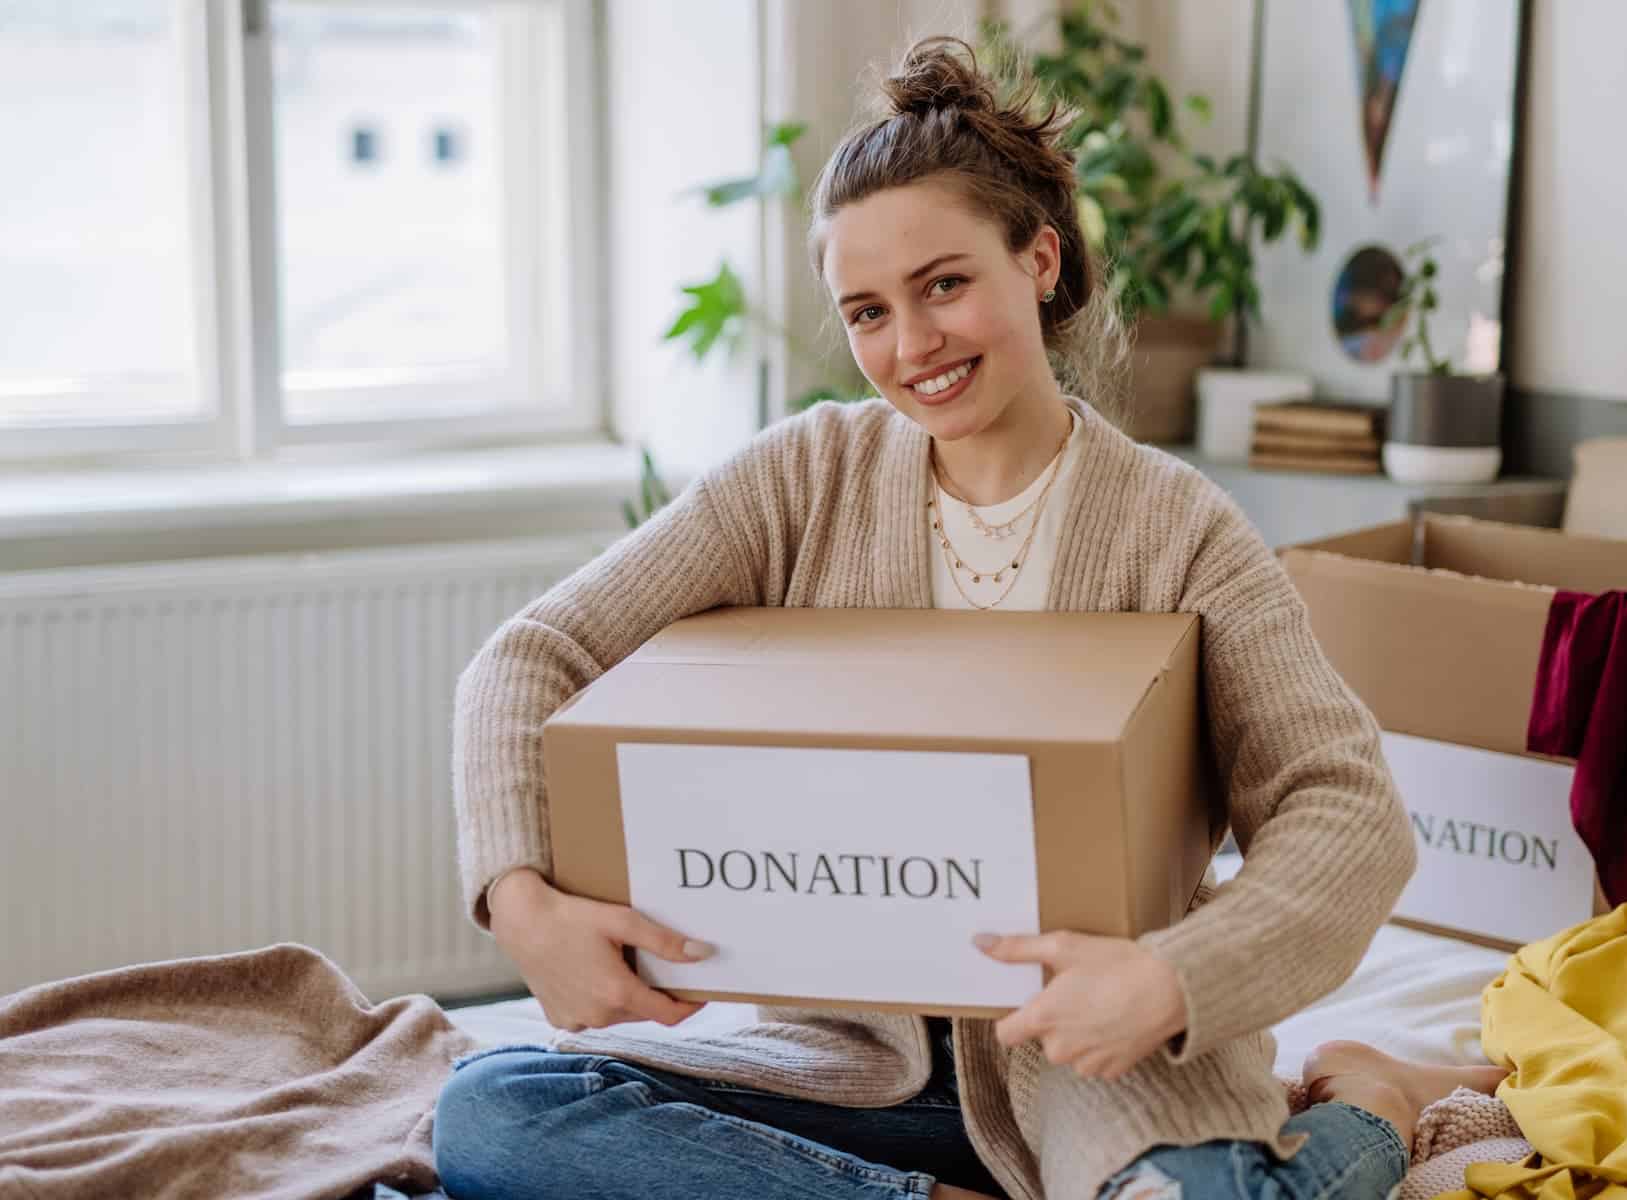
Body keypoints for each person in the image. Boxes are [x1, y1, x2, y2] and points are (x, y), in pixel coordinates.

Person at [433, 35, 1507, 1200]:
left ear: (1039, 260)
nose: (912, 346)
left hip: (1102, 1062)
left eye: (944, 285)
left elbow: (1347, 810)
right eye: (868, 311)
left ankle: (1375, 1101)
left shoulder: (1178, 530)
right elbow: (532, 656)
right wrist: (523, 901)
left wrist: (1175, 977)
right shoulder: (800, 480)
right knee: (497, 1111)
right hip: (846, 1068)